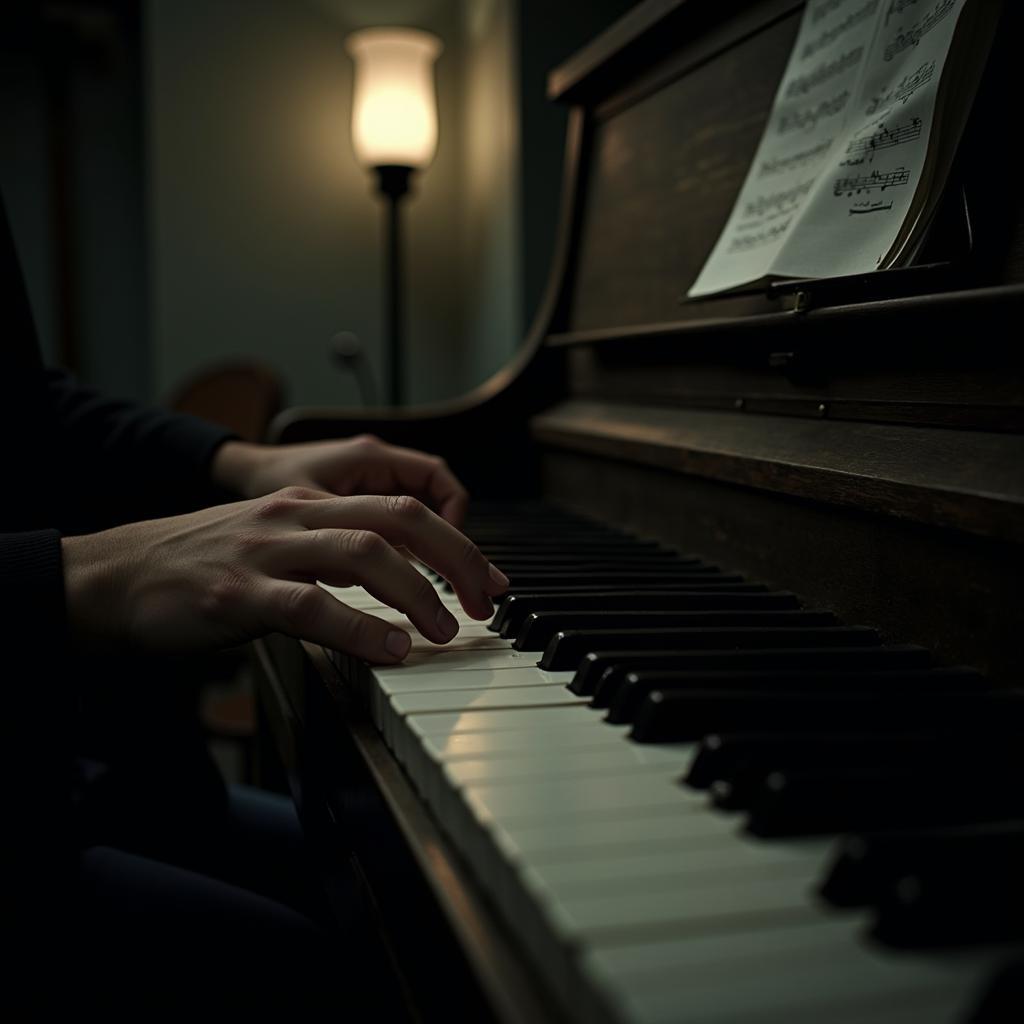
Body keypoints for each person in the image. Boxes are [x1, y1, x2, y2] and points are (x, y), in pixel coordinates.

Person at [1, 196, 509, 1011]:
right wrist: (81, 575)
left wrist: (241, 462)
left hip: (58, 768)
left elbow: (23, 405)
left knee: (377, 867)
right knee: (318, 964)